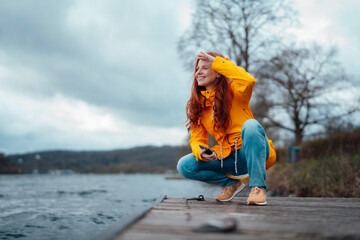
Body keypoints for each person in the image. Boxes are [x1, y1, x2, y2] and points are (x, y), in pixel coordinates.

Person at [177, 51, 276, 205]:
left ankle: (258, 188)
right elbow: (197, 139)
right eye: (197, 69)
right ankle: (230, 184)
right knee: (184, 165)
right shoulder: (197, 106)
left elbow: (248, 80)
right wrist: (201, 151)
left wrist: (216, 61)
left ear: (218, 72)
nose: (198, 73)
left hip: (252, 152)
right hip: (227, 158)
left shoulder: (236, 90)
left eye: (205, 68)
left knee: (251, 125)